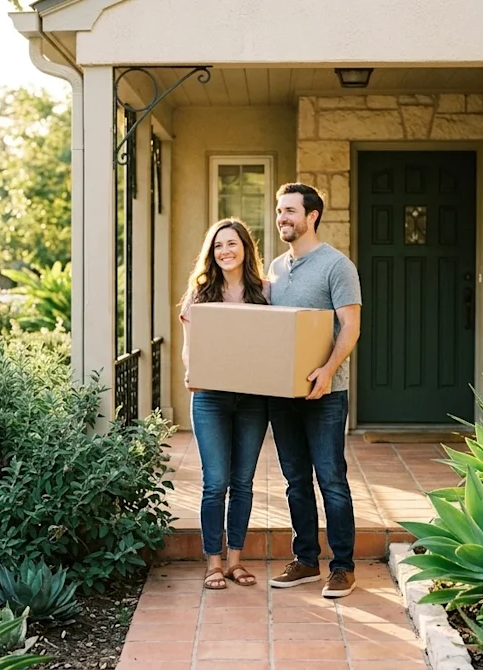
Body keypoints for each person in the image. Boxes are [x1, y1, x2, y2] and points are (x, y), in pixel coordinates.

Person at [264, 182, 362, 599]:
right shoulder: (274, 268)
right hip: (282, 394)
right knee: (294, 479)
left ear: (312, 216)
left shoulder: (337, 266)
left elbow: (351, 326)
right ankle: (305, 559)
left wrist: (326, 371)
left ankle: (342, 567)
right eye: (279, 211)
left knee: (331, 479)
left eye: (290, 211)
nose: (282, 218)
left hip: (326, 393)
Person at [179, 218, 271, 590]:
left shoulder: (265, 292)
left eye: (232, 244)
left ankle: (236, 561)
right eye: (218, 246)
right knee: (215, 482)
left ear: (246, 249)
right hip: (211, 398)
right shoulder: (199, 293)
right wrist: (192, 371)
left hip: (252, 399)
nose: (225, 251)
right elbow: (189, 346)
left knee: (243, 482)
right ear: (210, 253)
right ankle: (213, 563)